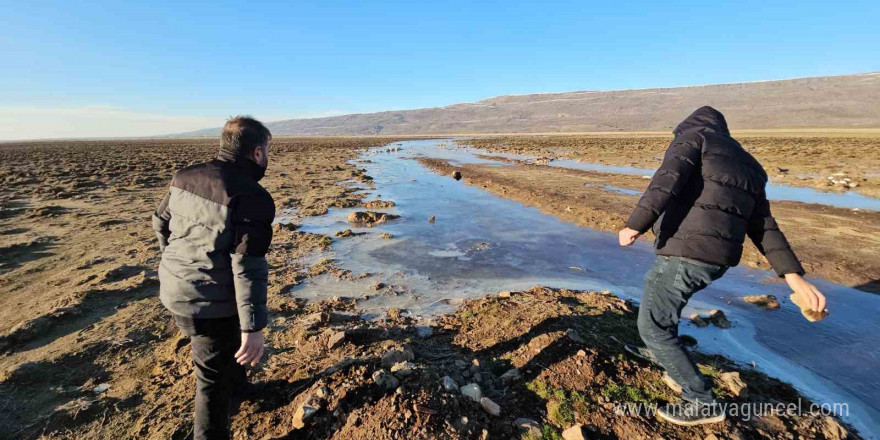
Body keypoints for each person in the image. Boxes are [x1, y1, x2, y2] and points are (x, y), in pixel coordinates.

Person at [618, 106, 827, 426]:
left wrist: (636, 223)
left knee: (653, 326)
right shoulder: (750, 165)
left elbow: (667, 178)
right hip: (718, 260)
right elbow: (764, 225)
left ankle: (700, 400)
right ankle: (664, 352)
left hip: (686, 252)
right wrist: (793, 277)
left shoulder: (693, 138)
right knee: (664, 310)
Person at [152, 116, 275, 439]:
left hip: (175, 286)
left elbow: (159, 223)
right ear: (258, 153)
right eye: (267, 150)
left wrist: (177, 263)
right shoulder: (252, 196)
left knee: (224, 349)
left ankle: (238, 391)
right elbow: (248, 266)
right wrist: (254, 328)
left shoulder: (184, 176)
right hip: (205, 301)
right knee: (211, 379)